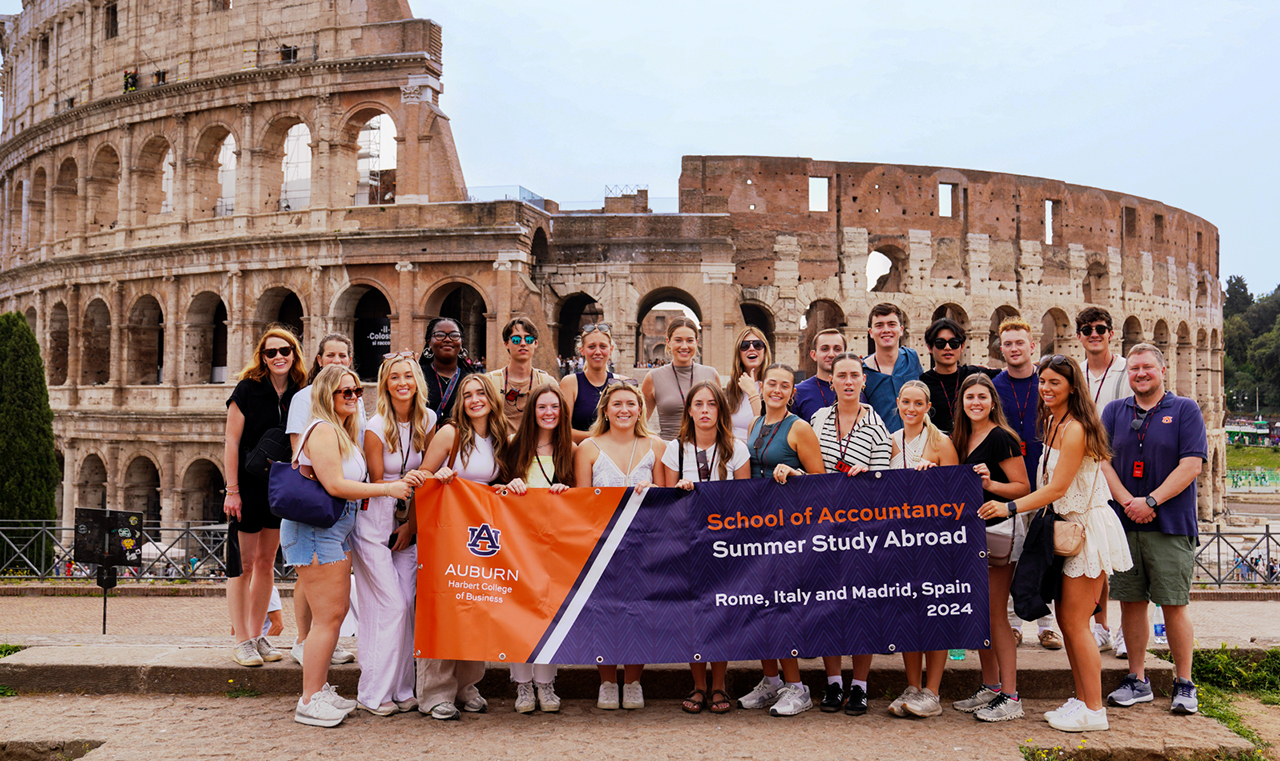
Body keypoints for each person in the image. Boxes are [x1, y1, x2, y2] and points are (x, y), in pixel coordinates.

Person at [979, 354, 1132, 733]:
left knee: (1077, 623)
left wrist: (1009, 506)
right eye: (1043, 382)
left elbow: (1058, 487)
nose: (1046, 388)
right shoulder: (1053, 422)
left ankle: (1095, 709)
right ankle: (1082, 699)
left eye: (1054, 383)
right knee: (1066, 621)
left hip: (1085, 528)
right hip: (1064, 529)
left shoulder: (1077, 428)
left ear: (1071, 387)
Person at [287, 365, 415, 727]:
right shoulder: (324, 430)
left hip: (329, 532)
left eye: (357, 391)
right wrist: (387, 488)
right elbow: (336, 486)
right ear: (327, 394)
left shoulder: (340, 430)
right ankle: (309, 699)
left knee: (335, 615)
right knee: (327, 620)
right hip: (314, 532)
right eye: (346, 392)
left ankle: (319, 689)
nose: (354, 397)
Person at [1100, 344, 1207, 716]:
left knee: (1174, 604)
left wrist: (1151, 501)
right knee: (1131, 603)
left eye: (1147, 367)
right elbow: (1103, 461)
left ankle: (1184, 683)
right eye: (1133, 369)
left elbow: (1192, 465)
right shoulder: (1115, 411)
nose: (1140, 374)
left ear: (1163, 370)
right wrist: (1130, 500)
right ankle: (1137, 679)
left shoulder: (1184, 409)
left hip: (1170, 524)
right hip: (1125, 522)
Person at [407, 373, 507, 720]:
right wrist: (439, 478)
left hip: (481, 539)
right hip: (446, 535)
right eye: (468, 395)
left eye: (481, 393)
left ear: (492, 398)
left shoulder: (500, 439)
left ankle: (467, 684)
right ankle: (434, 691)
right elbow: (420, 479)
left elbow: (503, 483)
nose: (475, 400)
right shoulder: (450, 434)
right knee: (444, 608)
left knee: (475, 608)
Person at [806, 352, 895, 717]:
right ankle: (832, 682)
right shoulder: (817, 419)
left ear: (863, 381)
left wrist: (866, 473)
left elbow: (882, 483)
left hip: (861, 527)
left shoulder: (877, 426)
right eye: (840, 375)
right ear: (832, 382)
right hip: (824, 525)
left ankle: (859, 685)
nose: (847, 381)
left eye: (854, 375)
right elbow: (811, 469)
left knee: (862, 604)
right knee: (828, 604)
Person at [655, 381, 751, 715]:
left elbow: (745, 501)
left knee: (720, 614)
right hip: (687, 541)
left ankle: (720, 684)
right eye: (699, 404)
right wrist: (682, 493)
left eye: (712, 404)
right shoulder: (674, 450)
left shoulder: (736, 449)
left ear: (720, 410)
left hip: (724, 544)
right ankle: (698, 684)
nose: (705, 410)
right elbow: (665, 501)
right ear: (690, 410)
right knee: (693, 614)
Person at [737, 363, 825, 713]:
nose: (777, 389)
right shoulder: (757, 422)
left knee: (782, 605)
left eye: (784, 385)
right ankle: (771, 680)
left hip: (788, 528)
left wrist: (795, 471)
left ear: (792, 392)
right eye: (771, 383)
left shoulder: (799, 428)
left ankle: (797, 686)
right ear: (763, 385)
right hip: (757, 527)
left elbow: (821, 481)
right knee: (758, 606)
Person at [574, 381, 666, 710]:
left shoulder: (656, 446)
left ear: (641, 408)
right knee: (604, 611)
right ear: (605, 410)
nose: (624, 409)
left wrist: (653, 488)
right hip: (603, 542)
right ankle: (608, 681)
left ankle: (634, 680)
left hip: (644, 542)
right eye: (617, 404)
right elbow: (582, 501)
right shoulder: (588, 448)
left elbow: (667, 499)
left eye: (630, 403)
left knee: (639, 612)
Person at [354, 355, 436, 716]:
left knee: (407, 607)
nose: (402, 383)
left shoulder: (429, 421)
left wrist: (413, 525)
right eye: (394, 378)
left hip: (410, 521)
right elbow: (375, 483)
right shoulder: (375, 426)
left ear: (417, 380)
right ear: (385, 384)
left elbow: (429, 478)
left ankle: (403, 688)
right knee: (389, 605)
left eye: (408, 376)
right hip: (375, 522)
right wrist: (403, 486)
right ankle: (373, 692)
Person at [949, 374, 1031, 722]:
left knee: (996, 614)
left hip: (998, 531)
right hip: (972, 531)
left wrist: (990, 483)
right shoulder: (962, 437)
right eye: (970, 397)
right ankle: (991, 686)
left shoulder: (1001, 437)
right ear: (962, 403)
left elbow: (1023, 488)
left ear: (993, 401)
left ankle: (1011, 696)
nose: (976, 403)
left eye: (982, 396)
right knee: (981, 614)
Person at [223, 327, 305, 668]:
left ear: (294, 353)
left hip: (280, 485)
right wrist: (232, 490)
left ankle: (257, 636)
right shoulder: (248, 389)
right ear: (262, 357)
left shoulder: (301, 391)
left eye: (284, 350)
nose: (278, 357)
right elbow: (231, 440)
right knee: (242, 564)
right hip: (248, 485)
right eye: (271, 352)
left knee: (265, 564)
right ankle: (242, 639)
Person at [499, 383, 577, 714]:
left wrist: (567, 489)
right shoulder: (515, 446)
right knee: (519, 614)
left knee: (550, 613)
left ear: (563, 413)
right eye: (542, 407)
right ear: (532, 412)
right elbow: (495, 492)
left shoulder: (569, 449)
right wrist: (510, 484)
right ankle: (523, 685)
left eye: (554, 407)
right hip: (520, 542)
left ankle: (546, 682)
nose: (548, 413)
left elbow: (582, 494)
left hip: (555, 544)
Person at [285, 333, 361, 668]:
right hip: (319, 516)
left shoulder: (347, 411)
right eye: (330, 355)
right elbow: (303, 455)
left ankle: (317, 648)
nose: (337, 360)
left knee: (332, 612)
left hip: (336, 522)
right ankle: (305, 645)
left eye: (343, 355)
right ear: (319, 360)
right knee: (324, 608)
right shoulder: (308, 402)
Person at [887, 380, 959, 719]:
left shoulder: (941, 442)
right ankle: (912, 685)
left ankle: (933, 690)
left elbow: (958, 494)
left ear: (928, 406)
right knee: (907, 614)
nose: (911, 409)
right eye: (906, 403)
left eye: (918, 403)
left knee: (934, 613)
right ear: (898, 404)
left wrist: (936, 479)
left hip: (933, 540)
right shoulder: (890, 442)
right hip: (899, 541)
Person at [992, 318, 1061, 651]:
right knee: (1012, 553)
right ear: (1000, 347)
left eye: (1020, 342)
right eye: (1008, 343)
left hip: (1046, 477)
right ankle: (1014, 623)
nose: (1014, 349)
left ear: (1033, 346)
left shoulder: (1047, 381)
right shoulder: (995, 385)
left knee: (1046, 552)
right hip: (1010, 481)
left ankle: (1048, 626)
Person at [1075, 306, 1133, 654]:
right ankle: (1100, 624)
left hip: (1122, 464)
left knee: (1126, 554)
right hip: (1086, 469)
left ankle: (1128, 630)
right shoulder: (1076, 371)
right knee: (1095, 553)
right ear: (1079, 335)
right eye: (1086, 329)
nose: (1094, 334)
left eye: (1100, 329)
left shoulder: (1128, 370)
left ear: (1111, 333)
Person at [641, 317, 719, 440]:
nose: (684, 346)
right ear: (668, 342)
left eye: (689, 340)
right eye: (678, 340)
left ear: (696, 342)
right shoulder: (653, 377)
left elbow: (722, 419)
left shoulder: (711, 374)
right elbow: (640, 423)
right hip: (668, 453)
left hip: (705, 452)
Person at [919, 318, 998, 434]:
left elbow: (1013, 371)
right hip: (937, 447)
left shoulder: (975, 375)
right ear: (930, 348)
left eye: (954, 343)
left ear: (962, 347)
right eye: (940, 343)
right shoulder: (923, 383)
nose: (948, 348)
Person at [560, 322, 632, 442]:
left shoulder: (623, 383)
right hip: (580, 455)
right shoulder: (570, 383)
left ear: (611, 350)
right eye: (592, 347)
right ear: (581, 350)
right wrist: (603, 437)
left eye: (603, 346)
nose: (598, 352)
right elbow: (562, 430)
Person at [487, 317, 556, 434]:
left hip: (534, 450)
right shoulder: (489, 382)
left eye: (529, 339)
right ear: (506, 344)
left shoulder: (548, 382)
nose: (523, 343)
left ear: (535, 344)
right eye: (516, 339)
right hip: (498, 449)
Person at [860, 303, 922, 432]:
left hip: (917, 442)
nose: (886, 330)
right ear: (871, 332)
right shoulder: (862, 370)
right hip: (881, 446)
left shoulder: (912, 358)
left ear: (901, 330)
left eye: (892, 324)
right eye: (879, 325)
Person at [418, 317, 484, 425]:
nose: (447, 339)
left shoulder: (470, 381)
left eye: (454, 335)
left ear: (461, 342)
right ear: (429, 342)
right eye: (440, 335)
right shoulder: (417, 376)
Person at [726, 326, 770, 440]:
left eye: (757, 345)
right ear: (739, 354)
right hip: (734, 454)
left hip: (758, 454)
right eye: (744, 346)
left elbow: (766, 426)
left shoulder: (773, 386)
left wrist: (752, 392)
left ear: (765, 351)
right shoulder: (731, 388)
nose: (751, 348)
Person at [793, 329, 846, 422]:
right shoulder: (798, 393)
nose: (831, 354)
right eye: (825, 349)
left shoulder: (857, 390)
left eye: (837, 349)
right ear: (814, 355)